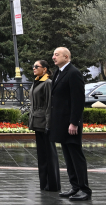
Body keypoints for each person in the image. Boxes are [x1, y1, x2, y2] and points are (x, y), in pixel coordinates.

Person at [50, 47, 91, 201]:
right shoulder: (59, 72)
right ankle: (75, 187)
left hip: (70, 124)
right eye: (53, 54)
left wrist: (74, 122)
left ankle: (85, 190)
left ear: (66, 57)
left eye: (57, 55)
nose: (53, 57)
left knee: (76, 156)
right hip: (61, 123)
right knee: (68, 157)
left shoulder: (74, 73)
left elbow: (78, 100)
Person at [29, 59, 60, 192]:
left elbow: (49, 105)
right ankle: (44, 184)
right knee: (42, 155)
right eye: (33, 66)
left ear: (45, 69)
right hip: (37, 122)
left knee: (49, 155)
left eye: (37, 66)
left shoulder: (47, 83)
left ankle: (52, 185)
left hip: (44, 123)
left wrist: (49, 124)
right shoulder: (37, 81)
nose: (34, 68)